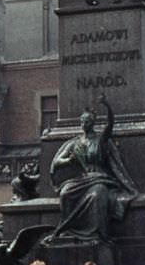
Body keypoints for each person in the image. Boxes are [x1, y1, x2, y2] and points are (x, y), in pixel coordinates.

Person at [48, 97, 137, 244]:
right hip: (83, 178)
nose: (84, 124)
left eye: (87, 121)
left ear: (93, 123)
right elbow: (57, 162)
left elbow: (110, 125)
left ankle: (95, 234)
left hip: (100, 178)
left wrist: (107, 106)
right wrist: (68, 161)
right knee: (65, 193)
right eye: (82, 121)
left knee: (97, 195)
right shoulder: (75, 143)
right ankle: (68, 231)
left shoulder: (100, 139)